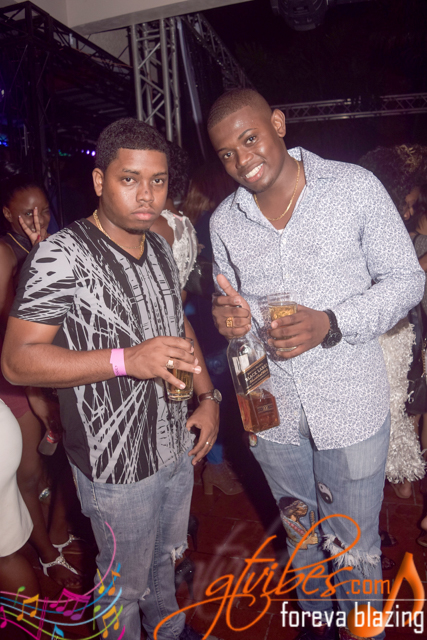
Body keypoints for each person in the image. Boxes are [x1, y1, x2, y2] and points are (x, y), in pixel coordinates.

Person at [207, 89, 424, 640]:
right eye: (227, 153)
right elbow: (231, 308)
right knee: (301, 534)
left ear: (278, 124)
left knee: (354, 545)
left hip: (350, 406)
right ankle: (317, 625)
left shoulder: (353, 187)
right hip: (271, 412)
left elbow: (407, 279)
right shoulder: (225, 221)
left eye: (250, 139)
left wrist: (332, 321)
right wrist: (227, 320)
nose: (241, 160)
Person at [2, 118, 219, 640]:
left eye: (158, 180)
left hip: (174, 445)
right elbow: (17, 361)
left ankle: (168, 632)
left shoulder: (159, 245)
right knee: (122, 587)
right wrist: (127, 360)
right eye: (130, 179)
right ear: (100, 181)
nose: (147, 195)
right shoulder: (60, 256)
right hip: (116, 464)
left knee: (166, 561)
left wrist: (207, 395)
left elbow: (177, 323)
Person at [0, 169, 81, 588]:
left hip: (51, 370)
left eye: (44, 210)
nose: (38, 219)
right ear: (7, 213)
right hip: (17, 381)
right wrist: (33, 391)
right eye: (27, 212)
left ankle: (57, 529)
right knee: (28, 474)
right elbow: (9, 333)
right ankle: (47, 554)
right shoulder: (4, 254)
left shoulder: (51, 245)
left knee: (65, 457)